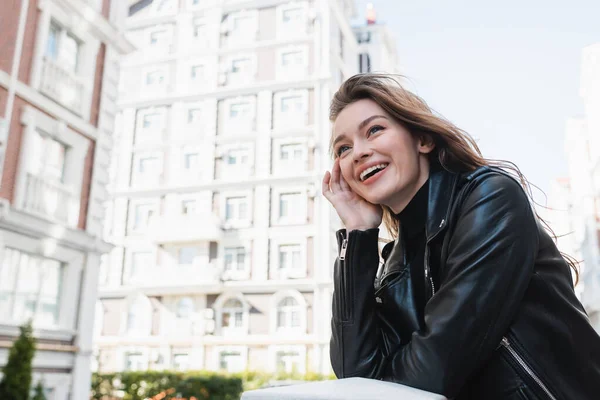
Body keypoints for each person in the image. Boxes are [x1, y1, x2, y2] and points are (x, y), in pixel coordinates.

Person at [322, 73, 600, 400]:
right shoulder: (395, 262)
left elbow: (432, 373)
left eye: (375, 130)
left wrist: (386, 376)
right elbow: (356, 380)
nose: (358, 152)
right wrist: (357, 234)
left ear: (422, 139)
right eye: (343, 148)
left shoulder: (490, 200)